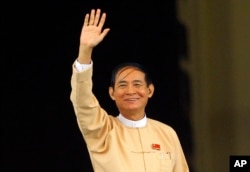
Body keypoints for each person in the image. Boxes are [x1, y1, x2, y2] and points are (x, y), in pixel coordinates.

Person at [70, 8, 189, 172]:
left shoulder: (167, 134)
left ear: (150, 90)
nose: (130, 91)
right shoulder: (103, 130)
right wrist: (85, 51)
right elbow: (82, 101)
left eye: (138, 84)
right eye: (122, 85)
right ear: (112, 93)